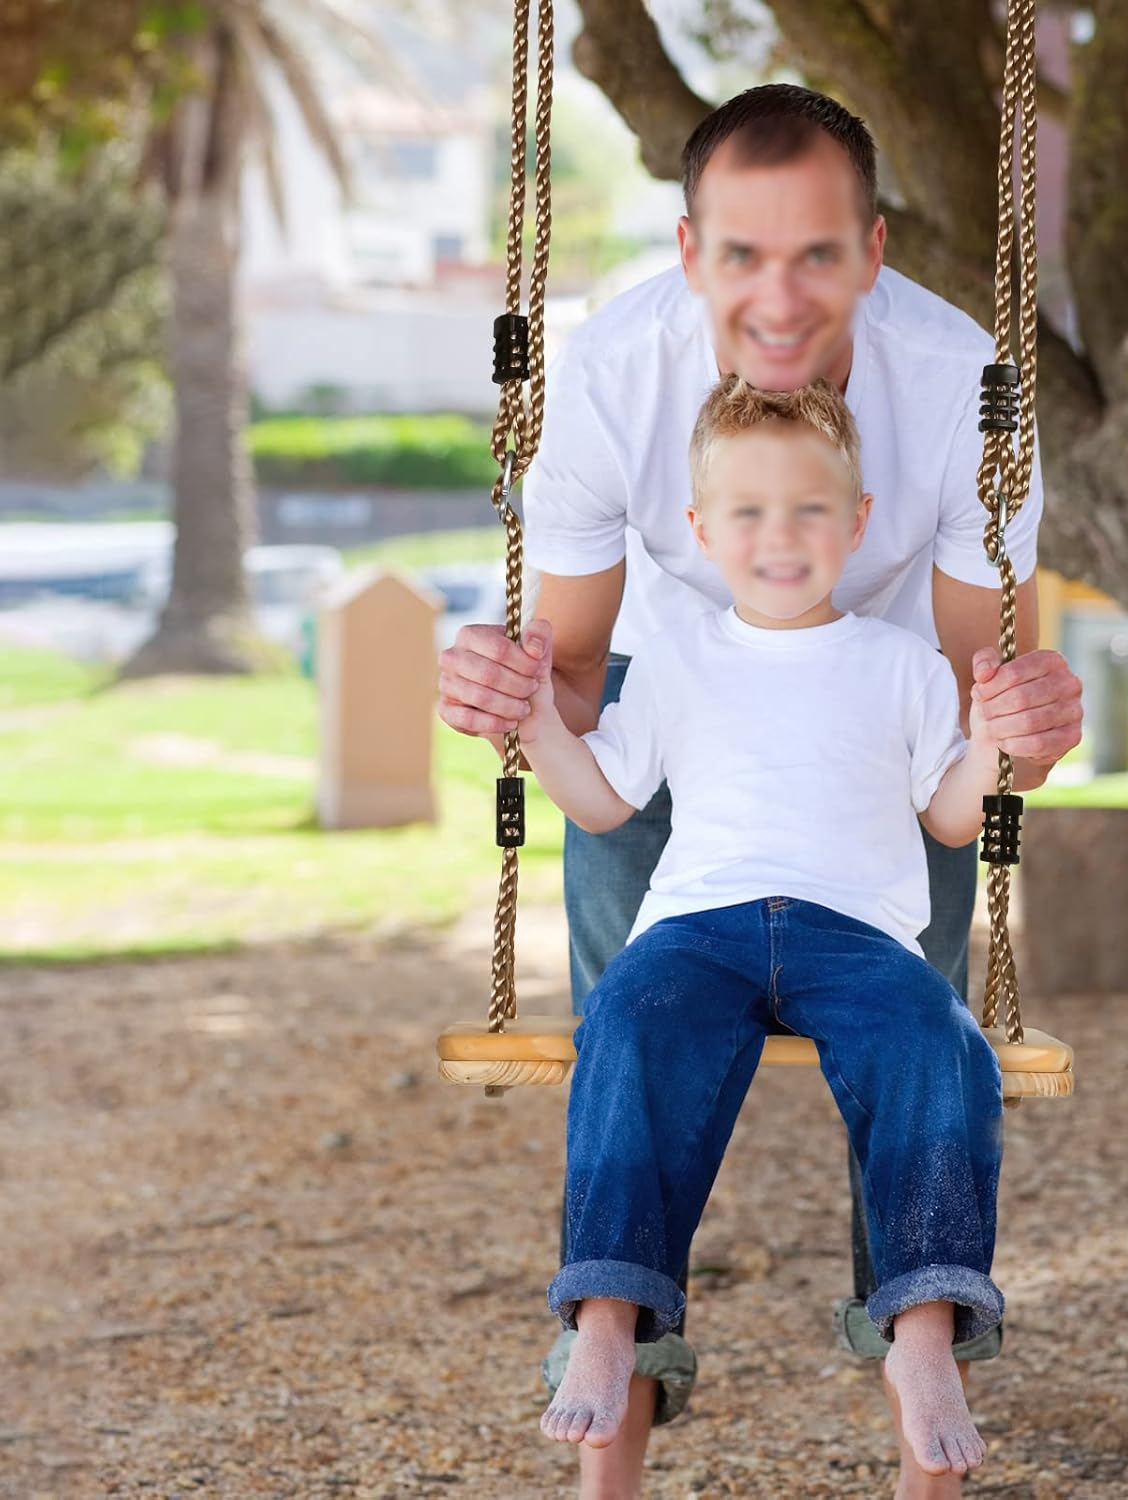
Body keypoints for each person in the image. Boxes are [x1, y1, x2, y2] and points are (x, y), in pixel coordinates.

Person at [437, 84, 1083, 1500]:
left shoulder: (965, 392)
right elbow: (579, 675)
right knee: (633, 1041)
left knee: (931, 1050)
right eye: (742, 254)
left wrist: (1025, 727)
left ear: (875, 249)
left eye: (817, 256)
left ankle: (921, 1376)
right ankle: (608, 1401)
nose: (779, 297)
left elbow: (981, 714)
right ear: (687, 251)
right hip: (677, 750)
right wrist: (508, 703)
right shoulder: (614, 377)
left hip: (883, 763)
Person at [523, 375, 1015, 1480]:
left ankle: (926, 1328)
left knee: (942, 1047)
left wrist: (992, 746)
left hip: (858, 937)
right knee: (628, 1025)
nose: (778, 536)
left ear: (857, 523)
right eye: (746, 513)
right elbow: (605, 798)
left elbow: (945, 813)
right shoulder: (681, 657)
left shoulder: (899, 667)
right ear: (701, 533)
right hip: (700, 927)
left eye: (806, 511)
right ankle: (607, 1313)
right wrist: (528, 726)